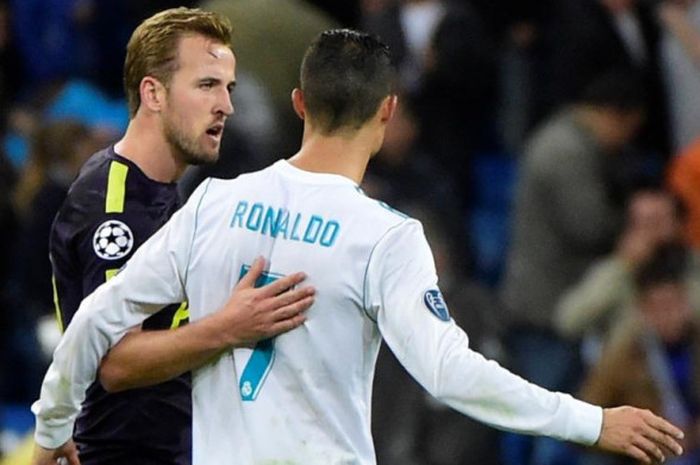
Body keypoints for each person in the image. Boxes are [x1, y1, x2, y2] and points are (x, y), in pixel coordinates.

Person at [33, 29, 684, 465]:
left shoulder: (214, 202)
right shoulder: (386, 236)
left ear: (298, 102)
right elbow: (449, 372)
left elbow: (95, 318)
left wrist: (53, 425)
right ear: (388, 112)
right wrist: (592, 421)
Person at [32, 8, 314, 465]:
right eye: (207, 85)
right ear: (153, 93)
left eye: (228, 87)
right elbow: (117, 363)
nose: (226, 105)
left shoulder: (164, 194)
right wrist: (230, 327)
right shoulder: (113, 206)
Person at [581, 242, 700, 465]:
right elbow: (590, 417)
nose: (668, 316)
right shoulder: (622, 356)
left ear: (686, 302)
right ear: (642, 311)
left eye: (673, 305)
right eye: (658, 307)